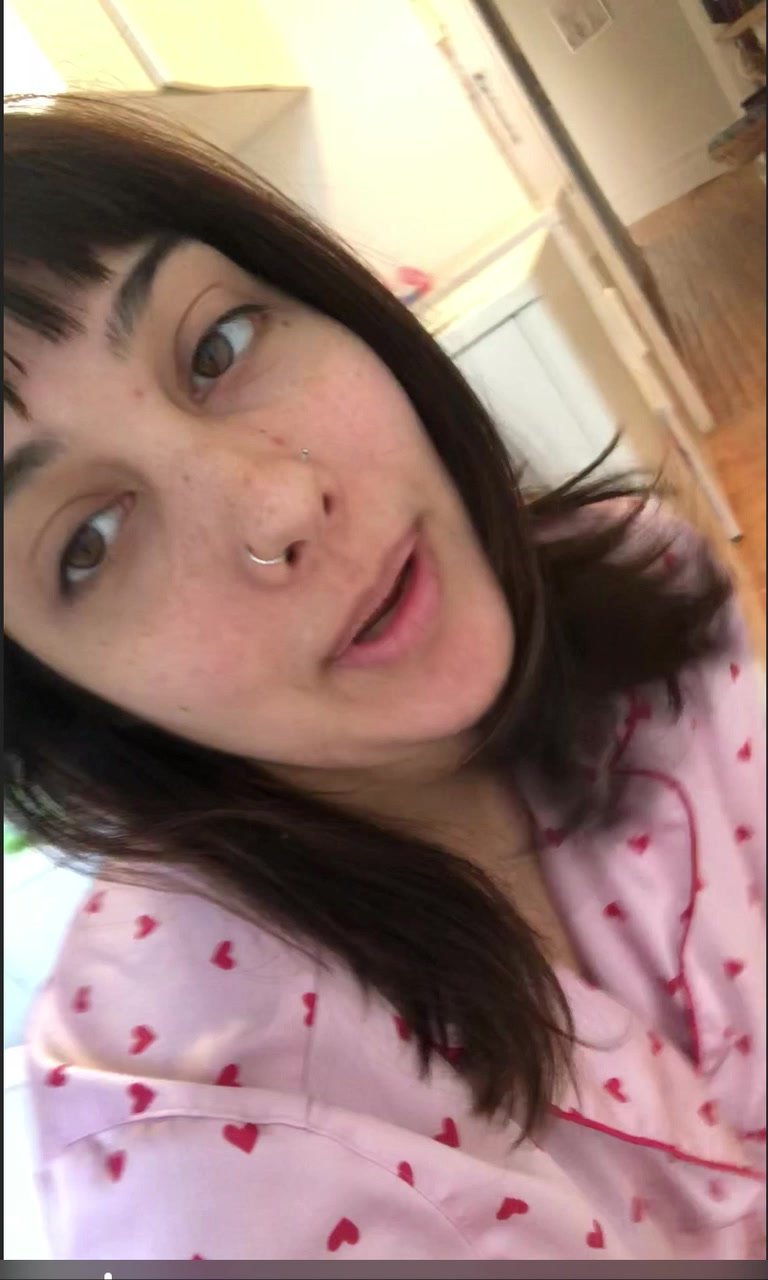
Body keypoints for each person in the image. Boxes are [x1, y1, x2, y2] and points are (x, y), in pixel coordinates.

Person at [4, 95, 765, 1263]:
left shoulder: (637, 568)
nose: (278, 503)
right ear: (52, 696)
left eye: (217, 347)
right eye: (89, 542)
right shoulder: (204, 1155)